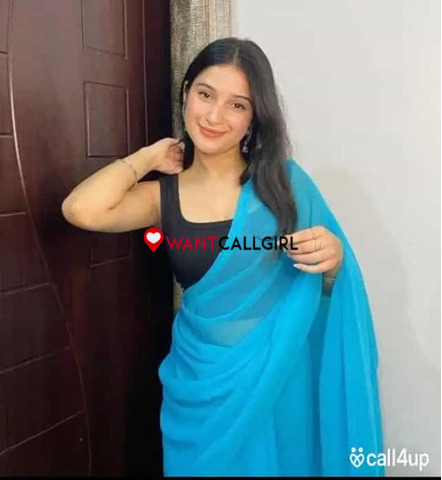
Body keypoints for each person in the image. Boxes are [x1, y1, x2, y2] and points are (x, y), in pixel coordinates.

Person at [62, 37, 384, 477]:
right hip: (199, 390)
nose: (215, 116)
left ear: (254, 117)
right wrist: (148, 157)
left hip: (277, 388)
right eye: (206, 94)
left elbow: (327, 293)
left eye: (237, 105)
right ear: (186, 93)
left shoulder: (285, 186)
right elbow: (81, 209)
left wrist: (334, 263)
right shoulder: (162, 197)